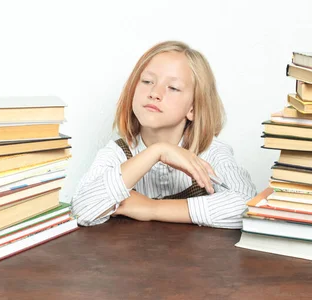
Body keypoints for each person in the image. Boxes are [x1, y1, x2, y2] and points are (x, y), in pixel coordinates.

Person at [71, 41, 256, 229]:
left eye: (173, 87)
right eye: (147, 81)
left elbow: (247, 207)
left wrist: (151, 208)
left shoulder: (210, 152)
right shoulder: (116, 153)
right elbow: (81, 210)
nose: (154, 93)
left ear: (193, 108)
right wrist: (157, 152)